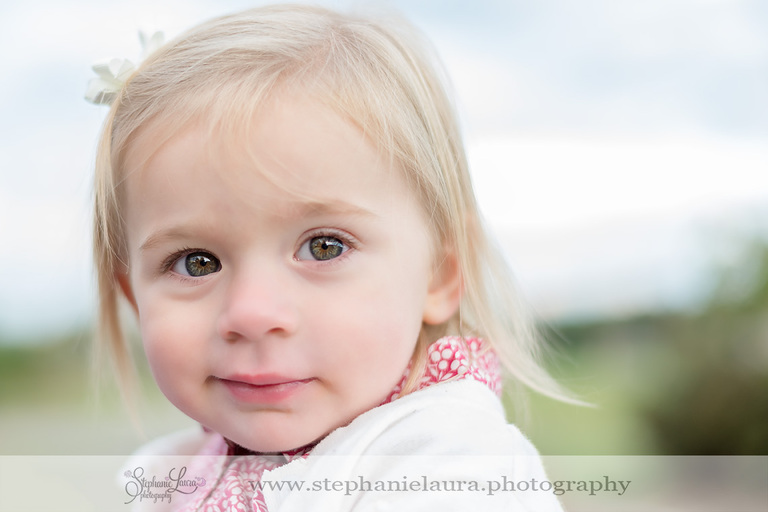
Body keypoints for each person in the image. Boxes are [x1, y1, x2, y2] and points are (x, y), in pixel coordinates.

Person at [88, 4, 570, 511]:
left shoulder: (448, 463)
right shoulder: (170, 475)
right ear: (134, 297)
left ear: (441, 274)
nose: (252, 314)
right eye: (197, 262)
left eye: (324, 247)